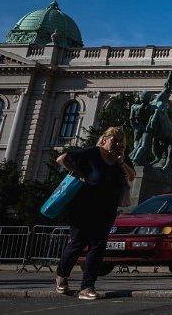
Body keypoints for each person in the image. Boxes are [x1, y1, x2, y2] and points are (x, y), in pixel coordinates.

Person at [54, 127, 135, 300]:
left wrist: (121, 162)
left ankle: (87, 287)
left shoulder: (120, 160)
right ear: (105, 139)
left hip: (107, 210)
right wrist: (78, 173)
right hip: (83, 208)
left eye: (122, 142)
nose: (119, 144)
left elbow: (132, 176)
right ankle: (62, 276)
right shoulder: (92, 153)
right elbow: (62, 159)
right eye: (115, 140)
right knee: (77, 244)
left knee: (98, 247)